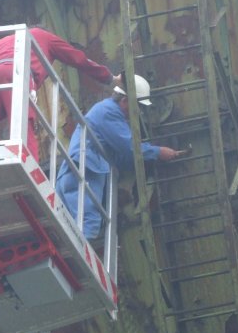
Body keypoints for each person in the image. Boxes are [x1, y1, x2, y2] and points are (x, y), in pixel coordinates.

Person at [55, 75, 186, 243]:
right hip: (85, 172)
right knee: (88, 225)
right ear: (125, 100)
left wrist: (149, 159)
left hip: (75, 172)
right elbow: (129, 147)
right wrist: (158, 152)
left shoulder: (104, 111)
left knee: (70, 229)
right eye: (137, 106)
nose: (137, 112)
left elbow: (118, 157)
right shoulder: (109, 112)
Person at [0, 26, 120, 160]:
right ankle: (28, 164)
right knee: (22, 126)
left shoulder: (4, 43)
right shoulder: (44, 37)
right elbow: (78, 58)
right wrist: (109, 78)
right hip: (16, 71)